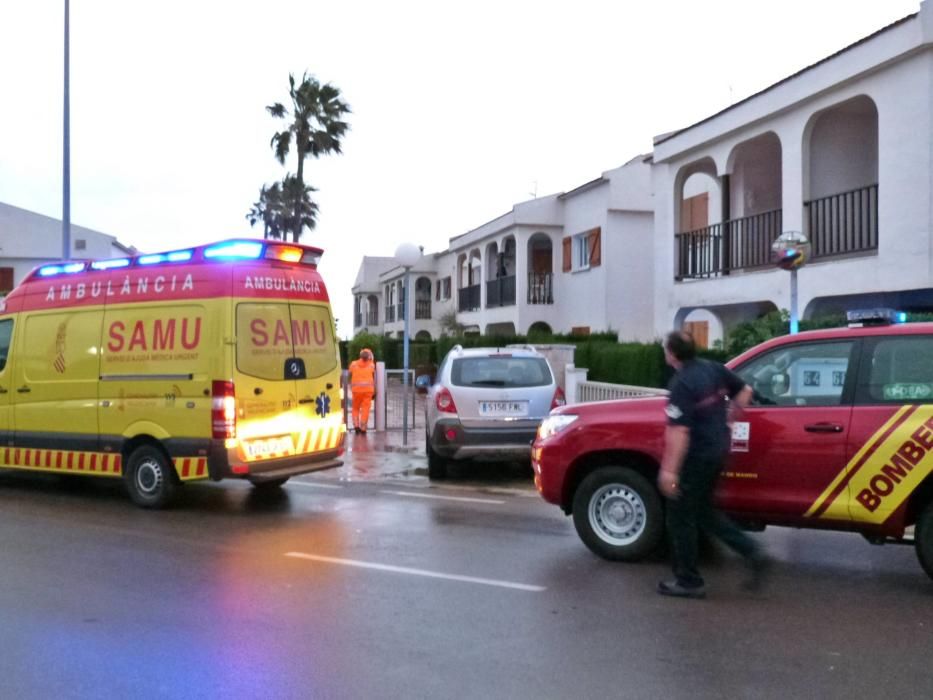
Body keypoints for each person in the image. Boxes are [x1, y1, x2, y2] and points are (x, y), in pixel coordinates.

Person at [657, 330, 769, 598]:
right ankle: (752, 552)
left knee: (680, 516)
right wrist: (729, 420)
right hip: (718, 451)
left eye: (665, 348)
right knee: (704, 512)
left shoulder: (681, 384)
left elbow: (679, 433)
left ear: (671, 354)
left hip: (696, 457)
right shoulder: (714, 369)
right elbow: (745, 391)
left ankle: (688, 581)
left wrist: (669, 471)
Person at [348, 348, 376, 434]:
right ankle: (363, 428)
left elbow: (349, 373)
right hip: (368, 391)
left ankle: (356, 426)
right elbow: (374, 375)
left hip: (356, 391)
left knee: (355, 408)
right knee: (365, 409)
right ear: (369, 356)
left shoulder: (353, 364)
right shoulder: (372, 365)